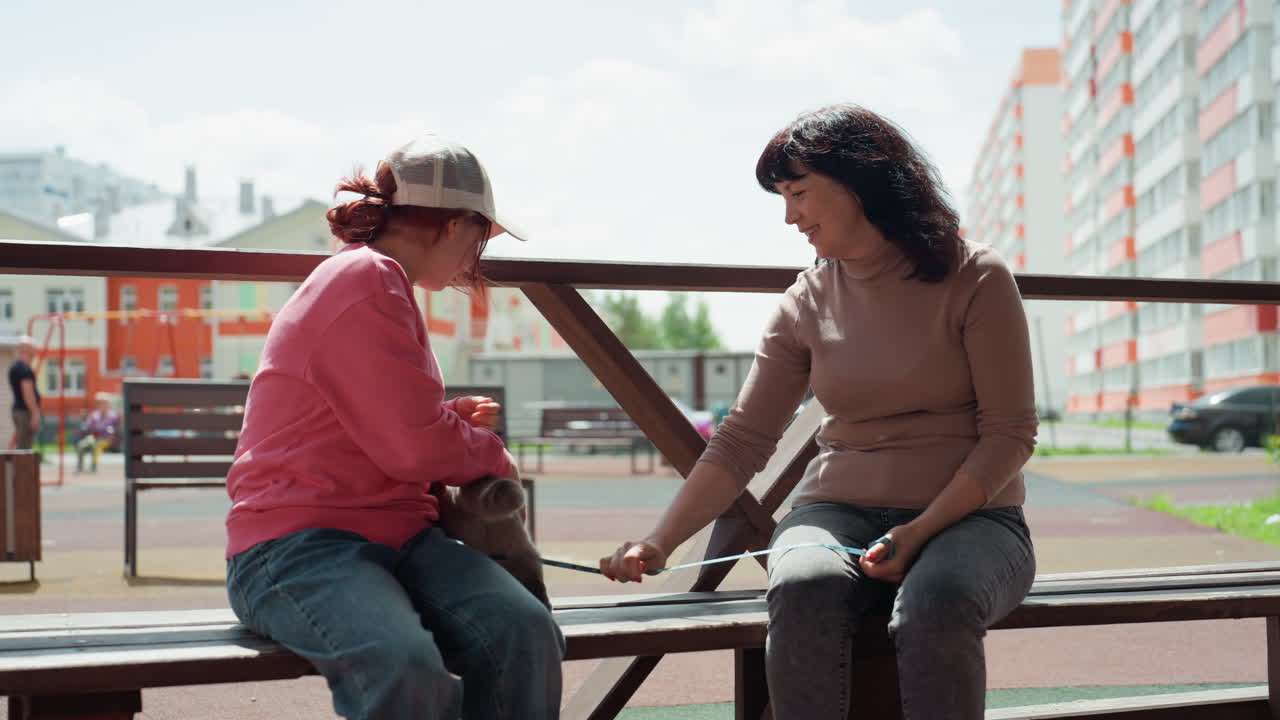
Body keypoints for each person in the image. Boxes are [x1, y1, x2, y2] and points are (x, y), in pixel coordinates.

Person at [601, 105, 1038, 720]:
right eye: (783, 197)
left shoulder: (978, 276)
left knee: (935, 601)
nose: (790, 216)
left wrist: (918, 531)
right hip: (835, 512)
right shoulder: (804, 301)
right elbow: (741, 441)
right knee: (805, 585)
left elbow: (1011, 435)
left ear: (862, 181)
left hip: (977, 522)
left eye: (799, 193)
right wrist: (658, 542)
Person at [224, 135, 564, 720]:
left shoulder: (370, 277)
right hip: (297, 546)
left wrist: (443, 424)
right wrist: (488, 453)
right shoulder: (367, 278)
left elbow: (383, 424)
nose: (475, 257)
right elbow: (411, 451)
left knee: (525, 632)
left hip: (397, 538)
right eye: (481, 237)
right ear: (455, 224)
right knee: (404, 665)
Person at [8, 335, 41, 450]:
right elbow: (28, 394)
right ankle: (22, 468)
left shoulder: (15, 367)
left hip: (19, 410)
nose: (35, 352)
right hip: (25, 412)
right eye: (33, 348)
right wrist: (35, 414)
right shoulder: (24, 369)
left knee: (22, 446)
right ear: (27, 350)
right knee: (24, 449)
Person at [76, 392, 119, 472]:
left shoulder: (113, 415)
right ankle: (80, 466)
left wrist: (111, 433)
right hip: (94, 437)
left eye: (104, 403)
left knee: (96, 446)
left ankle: (93, 466)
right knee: (81, 445)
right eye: (100, 403)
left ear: (108, 404)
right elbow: (88, 426)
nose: (102, 405)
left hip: (106, 439)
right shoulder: (94, 415)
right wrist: (85, 421)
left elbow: (114, 429)